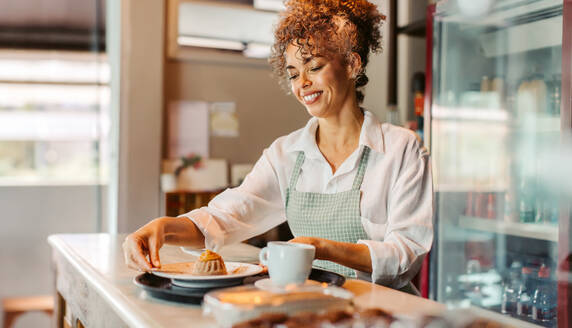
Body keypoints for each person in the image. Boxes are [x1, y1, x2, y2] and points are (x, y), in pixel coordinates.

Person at [123, 0, 433, 292]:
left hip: (385, 314)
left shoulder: (401, 149)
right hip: (315, 308)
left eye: (314, 67)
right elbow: (227, 216)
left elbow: (405, 253)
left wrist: (322, 249)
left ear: (352, 63)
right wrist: (163, 228)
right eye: (294, 74)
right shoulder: (285, 155)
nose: (302, 84)